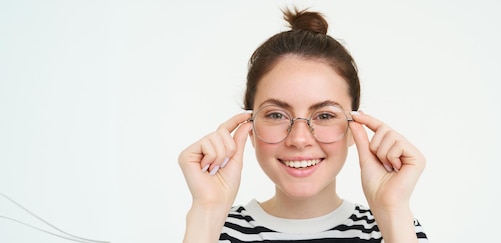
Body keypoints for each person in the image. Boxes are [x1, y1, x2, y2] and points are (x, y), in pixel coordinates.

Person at [178, 7, 428, 243]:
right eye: (276, 115)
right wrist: (207, 211)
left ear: (355, 126)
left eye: (325, 115)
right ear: (250, 126)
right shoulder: (213, 231)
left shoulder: (397, 229)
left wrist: (393, 209)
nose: (299, 139)